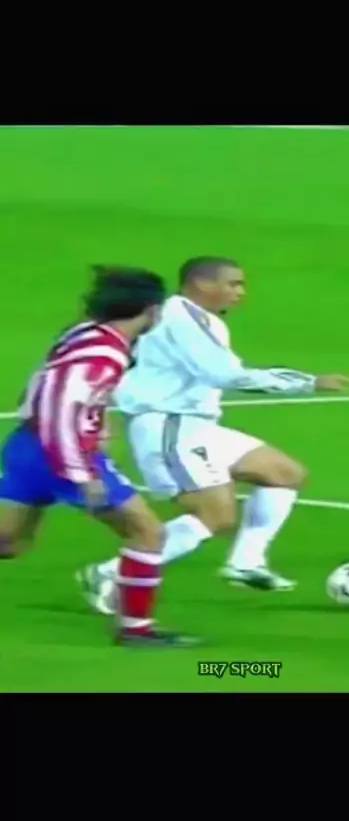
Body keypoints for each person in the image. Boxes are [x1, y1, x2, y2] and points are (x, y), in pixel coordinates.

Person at [78, 257, 349, 615]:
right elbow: (226, 375)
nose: (240, 292)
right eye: (233, 284)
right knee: (215, 515)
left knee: (284, 473)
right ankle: (108, 573)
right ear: (201, 284)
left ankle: (246, 563)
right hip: (169, 425)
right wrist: (307, 383)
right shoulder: (182, 317)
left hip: (195, 424)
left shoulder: (195, 318)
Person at [0, 265, 198, 649]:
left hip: (27, 446)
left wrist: (97, 418)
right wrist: (82, 473)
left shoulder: (83, 333)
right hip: (63, 454)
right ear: (151, 311)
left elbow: (42, 385)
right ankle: (136, 630)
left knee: (9, 542)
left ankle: (136, 628)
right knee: (148, 533)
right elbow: (60, 408)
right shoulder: (104, 354)